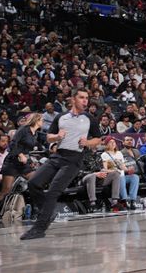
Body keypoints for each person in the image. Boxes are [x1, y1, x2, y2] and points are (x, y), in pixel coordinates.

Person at [20, 89, 101, 240]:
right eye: (82, 97)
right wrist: (57, 136)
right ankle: (48, 212)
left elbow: (98, 139)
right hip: (57, 156)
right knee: (33, 183)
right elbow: (49, 137)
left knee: (53, 192)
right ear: (73, 99)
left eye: (87, 98)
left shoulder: (90, 118)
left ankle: (39, 228)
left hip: (74, 160)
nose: (85, 101)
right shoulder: (61, 117)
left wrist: (88, 142)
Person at [0, 113, 41, 204]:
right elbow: (13, 144)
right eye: (41, 120)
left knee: (36, 182)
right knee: (6, 190)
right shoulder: (23, 129)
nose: (43, 122)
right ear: (36, 120)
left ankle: (36, 209)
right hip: (12, 162)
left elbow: (26, 150)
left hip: (24, 164)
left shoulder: (35, 133)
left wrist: (29, 161)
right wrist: (21, 155)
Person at [102, 137, 139, 210]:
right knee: (120, 177)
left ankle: (132, 200)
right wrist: (115, 170)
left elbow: (123, 167)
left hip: (122, 175)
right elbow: (105, 169)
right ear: (107, 145)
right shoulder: (104, 154)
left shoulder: (119, 153)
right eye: (110, 142)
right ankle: (124, 200)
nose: (113, 143)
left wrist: (128, 170)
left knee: (135, 177)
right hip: (113, 177)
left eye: (114, 142)